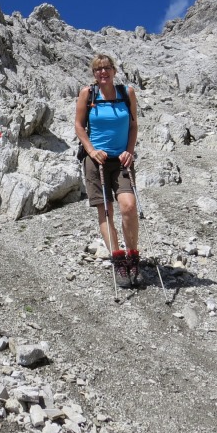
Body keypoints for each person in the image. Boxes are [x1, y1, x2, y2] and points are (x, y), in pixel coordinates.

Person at [74, 54, 140, 287]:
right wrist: (91, 151)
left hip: (122, 160)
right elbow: (79, 125)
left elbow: (133, 125)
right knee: (106, 211)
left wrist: (129, 151)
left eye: (107, 68)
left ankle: (133, 256)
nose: (103, 72)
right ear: (94, 74)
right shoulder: (88, 94)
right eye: (98, 69)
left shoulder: (127, 93)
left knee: (128, 206)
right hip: (96, 161)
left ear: (114, 70)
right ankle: (118, 259)